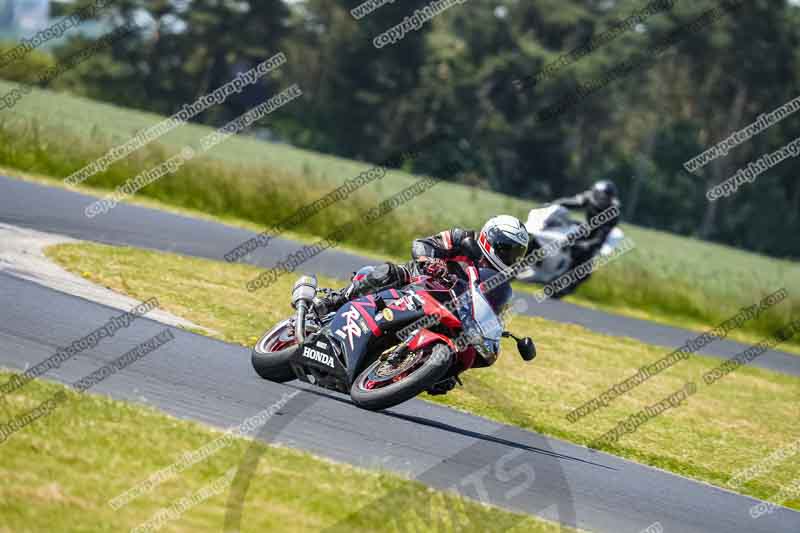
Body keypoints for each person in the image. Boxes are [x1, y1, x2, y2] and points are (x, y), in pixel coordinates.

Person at [312, 215, 530, 394]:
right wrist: (431, 262)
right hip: (420, 282)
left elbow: (491, 311)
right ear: (490, 239)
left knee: (467, 352)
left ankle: (422, 368)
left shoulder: (500, 284)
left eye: (516, 254)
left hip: (452, 311)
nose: (511, 257)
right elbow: (422, 244)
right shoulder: (463, 238)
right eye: (507, 250)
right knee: (387, 273)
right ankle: (334, 301)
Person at [551, 179, 621, 263]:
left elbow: (601, 237)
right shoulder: (589, 197)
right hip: (587, 228)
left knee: (584, 253)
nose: (603, 199)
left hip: (600, 237)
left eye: (606, 197)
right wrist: (553, 205)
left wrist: (586, 244)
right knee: (563, 229)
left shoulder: (612, 213)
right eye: (601, 196)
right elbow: (570, 203)